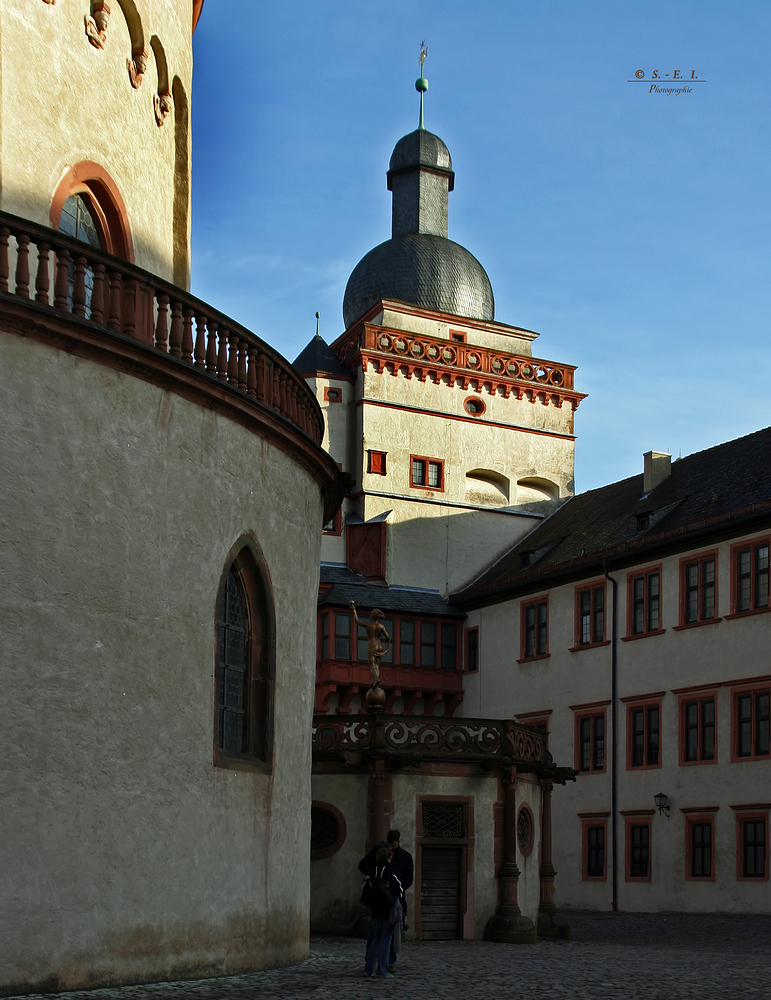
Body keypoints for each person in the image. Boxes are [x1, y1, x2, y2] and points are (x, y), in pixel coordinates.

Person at [359, 830, 414, 971]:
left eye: (393, 845)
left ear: (398, 842)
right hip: (387, 903)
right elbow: (363, 866)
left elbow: (408, 879)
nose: (391, 848)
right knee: (384, 938)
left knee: (379, 937)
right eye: (389, 845)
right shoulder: (386, 867)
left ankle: (379, 965)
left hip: (384, 902)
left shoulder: (404, 857)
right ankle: (381, 967)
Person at [360, 848, 402, 979]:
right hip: (389, 910)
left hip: (375, 909)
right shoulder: (392, 872)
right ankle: (382, 970)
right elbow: (400, 891)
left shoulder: (370, 872)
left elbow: (364, 891)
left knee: (376, 939)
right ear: (389, 858)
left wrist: (371, 903)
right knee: (386, 939)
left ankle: (369, 969)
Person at [349, 600, 390, 688]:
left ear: (372, 616)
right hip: (380, 645)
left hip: (372, 645)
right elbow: (388, 638)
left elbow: (356, 620)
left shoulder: (368, 625)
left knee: (372, 665)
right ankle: (377, 679)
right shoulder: (381, 626)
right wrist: (387, 648)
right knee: (377, 665)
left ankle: (376, 679)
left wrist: (354, 609)